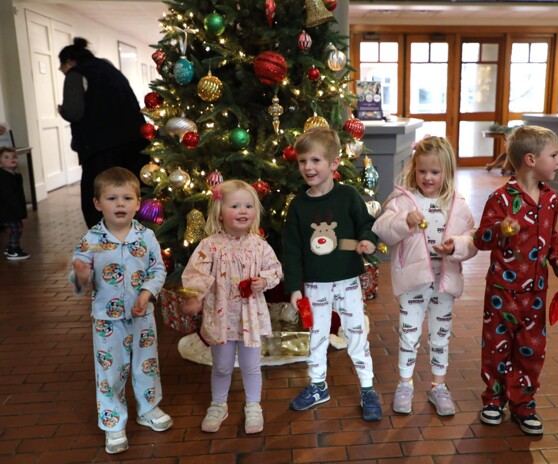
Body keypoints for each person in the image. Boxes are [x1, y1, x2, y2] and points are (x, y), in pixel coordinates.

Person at [474, 125, 558, 435]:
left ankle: (523, 404)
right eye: (554, 155)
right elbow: (481, 239)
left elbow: (552, 235)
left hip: (536, 292)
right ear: (531, 159)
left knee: (532, 349)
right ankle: (493, 400)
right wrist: (501, 229)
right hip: (503, 291)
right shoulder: (501, 199)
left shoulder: (551, 199)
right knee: (496, 347)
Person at [372, 135, 477, 416]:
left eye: (434, 172)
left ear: (447, 173)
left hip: (444, 282)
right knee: (409, 335)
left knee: (440, 336)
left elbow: (472, 239)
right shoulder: (403, 201)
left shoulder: (457, 204)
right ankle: (404, 384)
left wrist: (455, 246)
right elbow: (382, 228)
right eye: (422, 171)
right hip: (413, 283)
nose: (427, 177)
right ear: (413, 169)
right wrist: (403, 222)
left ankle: (438, 385)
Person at [70, 167, 173, 454]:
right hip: (107, 321)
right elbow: (82, 281)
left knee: (146, 365)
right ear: (97, 204)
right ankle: (114, 423)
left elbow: (157, 269)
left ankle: (148, 408)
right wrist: (81, 274)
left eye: (127, 198)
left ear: (138, 203)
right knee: (110, 371)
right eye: (112, 198)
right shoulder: (91, 240)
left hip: (142, 317)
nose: (120, 204)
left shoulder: (146, 236)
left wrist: (146, 293)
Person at [283, 126, 382, 422]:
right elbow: (291, 251)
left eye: (315, 161)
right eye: (303, 161)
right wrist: (294, 288)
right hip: (315, 286)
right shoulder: (299, 207)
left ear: (334, 163)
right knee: (316, 335)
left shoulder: (348, 196)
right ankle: (317, 385)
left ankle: (367, 388)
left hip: (348, 281)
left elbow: (366, 224)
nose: (308, 167)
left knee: (356, 334)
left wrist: (367, 240)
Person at [181, 180, 282, 434]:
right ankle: (218, 404)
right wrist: (196, 295)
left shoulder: (259, 245)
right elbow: (195, 273)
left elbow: (275, 270)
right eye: (235, 205)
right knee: (223, 365)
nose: (242, 211)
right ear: (219, 212)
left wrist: (264, 281)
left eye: (248, 206)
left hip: (249, 316)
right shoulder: (210, 245)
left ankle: (253, 404)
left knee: (251, 365)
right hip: (221, 316)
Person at [58, 37, 149, 229]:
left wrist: (62, 110)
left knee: (99, 195)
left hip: (100, 147)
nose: (62, 71)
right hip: (134, 141)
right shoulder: (109, 69)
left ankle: (104, 243)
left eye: (62, 67)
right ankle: (135, 238)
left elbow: (74, 111)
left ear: (69, 62)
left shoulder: (76, 74)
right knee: (130, 190)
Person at [0, 146, 30, 260]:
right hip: (7, 210)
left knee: (17, 228)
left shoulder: (14, 176)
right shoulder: (3, 178)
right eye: (6, 157)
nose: (11, 159)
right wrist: (17, 209)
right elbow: (8, 196)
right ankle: (13, 250)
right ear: (0, 163)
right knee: (16, 229)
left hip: (11, 209)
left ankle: (11, 248)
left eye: (14, 157)